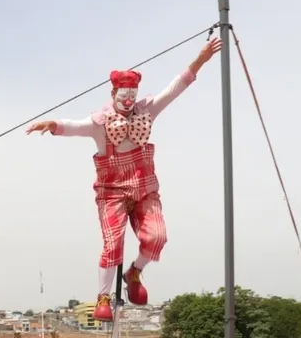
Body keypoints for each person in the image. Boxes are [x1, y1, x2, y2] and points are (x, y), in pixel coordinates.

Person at [26, 38, 222, 322]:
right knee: (112, 243)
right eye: (123, 95)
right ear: (113, 92)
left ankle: (135, 273)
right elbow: (74, 126)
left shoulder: (147, 111)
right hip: (112, 193)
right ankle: (103, 295)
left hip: (145, 189)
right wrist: (52, 124)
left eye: (132, 95)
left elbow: (175, 88)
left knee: (158, 237)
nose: (129, 101)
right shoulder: (100, 123)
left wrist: (201, 59)